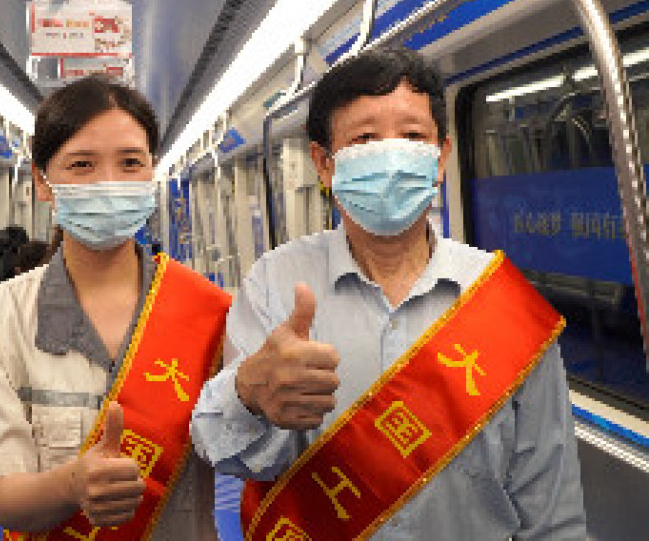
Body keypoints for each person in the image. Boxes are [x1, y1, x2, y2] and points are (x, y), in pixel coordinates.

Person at [191, 47, 586, 539]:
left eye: (413, 136)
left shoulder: (501, 300)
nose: (392, 157)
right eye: (365, 138)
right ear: (324, 164)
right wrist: (249, 394)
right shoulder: (273, 283)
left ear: (441, 157)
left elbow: (551, 505)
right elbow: (224, 453)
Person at [0, 75, 231, 540]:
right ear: (43, 182)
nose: (108, 182)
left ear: (151, 171)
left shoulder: (211, 313)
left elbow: (250, 458)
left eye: (130, 162)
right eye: (82, 165)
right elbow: (8, 504)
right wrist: (71, 485)